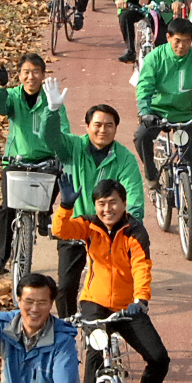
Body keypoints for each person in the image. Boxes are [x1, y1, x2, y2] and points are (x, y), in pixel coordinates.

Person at [51, 179, 170, 383]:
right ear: (95, 206)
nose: (108, 209)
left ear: (124, 204)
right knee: (95, 350)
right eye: (101, 204)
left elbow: (141, 266)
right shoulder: (89, 225)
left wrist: (141, 299)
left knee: (159, 358)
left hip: (129, 306)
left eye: (113, 202)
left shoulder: (135, 231)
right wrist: (65, 206)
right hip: (94, 301)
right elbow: (60, 231)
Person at [51, 101, 145, 316]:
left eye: (109, 125)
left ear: (116, 128)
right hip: (76, 225)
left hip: (109, 231)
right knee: (65, 288)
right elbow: (51, 136)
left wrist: (134, 222)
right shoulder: (72, 147)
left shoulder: (125, 158)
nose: (103, 130)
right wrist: (53, 111)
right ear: (87, 126)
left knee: (116, 287)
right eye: (98, 124)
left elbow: (134, 194)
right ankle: (67, 331)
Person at [0, 54, 66, 271]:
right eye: (26, 72)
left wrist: (62, 153)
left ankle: (44, 213)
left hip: (45, 160)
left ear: (43, 74)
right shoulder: (12, 96)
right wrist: (1, 86)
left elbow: (63, 128)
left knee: (60, 174)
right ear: (19, 75)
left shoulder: (51, 97)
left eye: (36, 72)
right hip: (16, 159)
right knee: (7, 208)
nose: (31, 77)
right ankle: (2, 256)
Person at [133, 16, 192, 221]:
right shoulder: (155, 58)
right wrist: (145, 112)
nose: (181, 45)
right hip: (157, 113)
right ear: (167, 37)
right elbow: (144, 87)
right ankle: (151, 176)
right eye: (177, 40)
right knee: (141, 137)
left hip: (184, 115)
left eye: (187, 41)